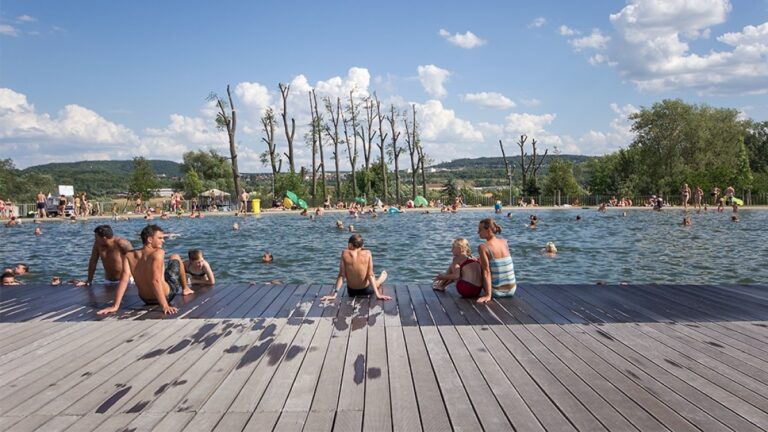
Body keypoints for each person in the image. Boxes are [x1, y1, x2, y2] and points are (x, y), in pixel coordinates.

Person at [97, 224, 193, 315]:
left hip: (145, 299)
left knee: (162, 274)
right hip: (166, 295)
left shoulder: (129, 255)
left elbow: (124, 280)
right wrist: (165, 306)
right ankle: (185, 288)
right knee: (175, 257)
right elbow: (155, 280)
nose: (163, 241)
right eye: (160, 238)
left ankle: (183, 288)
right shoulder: (158, 252)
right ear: (150, 239)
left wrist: (115, 306)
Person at [321, 234, 391, 301]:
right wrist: (378, 295)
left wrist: (334, 295)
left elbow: (341, 276)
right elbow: (370, 275)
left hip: (352, 292)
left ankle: (379, 280)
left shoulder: (344, 253)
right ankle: (380, 280)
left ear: (350, 244)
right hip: (366, 290)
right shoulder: (368, 253)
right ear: (362, 245)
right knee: (375, 281)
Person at [476, 218, 516, 303]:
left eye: (480, 229)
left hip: (496, 292)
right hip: (512, 290)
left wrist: (488, 295)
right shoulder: (504, 242)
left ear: (488, 230)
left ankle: (488, 293)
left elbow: (486, 272)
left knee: (476, 266)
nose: (478, 232)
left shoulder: (483, 247)